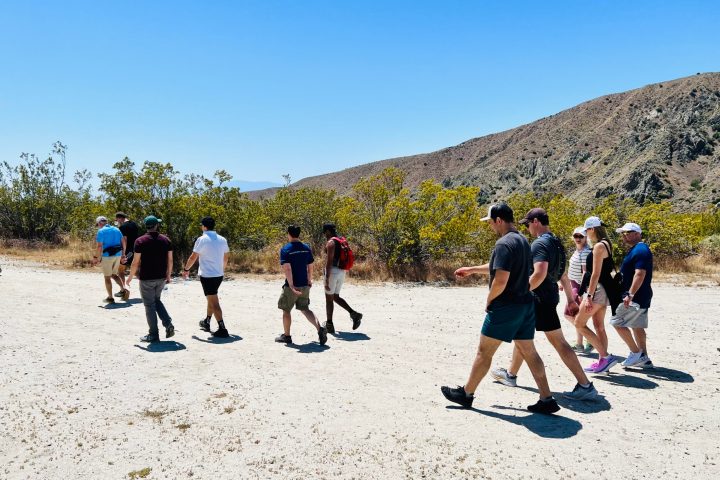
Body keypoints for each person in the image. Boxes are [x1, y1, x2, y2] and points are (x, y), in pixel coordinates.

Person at [441, 203, 560, 414]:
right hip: (525, 304)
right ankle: (547, 398)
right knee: (529, 352)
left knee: (484, 351)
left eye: (490, 222)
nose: (490, 227)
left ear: (498, 220)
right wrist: (471, 270)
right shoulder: (523, 241)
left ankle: (466, 394)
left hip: (506, 306)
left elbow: (501, 279)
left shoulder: (504, 243)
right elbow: (499, 267)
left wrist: (489, 300)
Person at [490, 208, 598, 401]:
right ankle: (511, 375)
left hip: (538, 299)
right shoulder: (556, 242)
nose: (527, 228)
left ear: (536, 221)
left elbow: (539, 273)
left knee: (556, 342)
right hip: (549, 298)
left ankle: (585, 384)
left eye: (528, 223)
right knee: (523, 337)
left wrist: (520, 292)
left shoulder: (539, 244)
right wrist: (571, 300)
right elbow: (562, 274)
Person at [574, 216, 622, 374]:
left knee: (579, 324)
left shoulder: (598, 247)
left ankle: (605, 357)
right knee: (599, 327)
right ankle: (603, 362)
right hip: (605, 290)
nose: (586, 233)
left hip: (597, 290)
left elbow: (595, 274)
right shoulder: (607, 244)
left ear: (592, 229)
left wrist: (588, 295)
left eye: (587, 230)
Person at [275, 225, 327, 346]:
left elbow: (287, 269)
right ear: (298, 234)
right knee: (305, 309)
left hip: (292, 286)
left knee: (286, 310)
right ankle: (320, 329)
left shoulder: (286, 249)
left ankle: (287, 336)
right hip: (305, 284)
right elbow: (310, 265)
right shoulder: (306, 248)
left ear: (289, 234)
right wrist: (309, 280)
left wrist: (292, 285)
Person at [611, 222, 654, 369]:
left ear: (637, 234)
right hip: (641, 296)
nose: (624, 235)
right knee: (637, 326)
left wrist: (630, 294)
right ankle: (644, 358)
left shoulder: (641, 250)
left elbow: (640, 273)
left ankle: (636, 353)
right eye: (623, 233)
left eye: (627, 232)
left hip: (636, 297)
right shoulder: (637, 249)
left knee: (616, 322)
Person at [126, 216, 175, 343]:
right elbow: (170, 260)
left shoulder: (140, 241)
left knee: (149, 305)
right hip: (161, 277)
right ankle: (168, 323)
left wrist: (130, 277)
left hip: (146, 278)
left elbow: (135, 262)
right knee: (156, 301)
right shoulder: (166, 240)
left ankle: (153, 334)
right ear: (156, 226)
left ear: (146, 226)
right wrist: (168, 275)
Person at [183, 216, 230, 338]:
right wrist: (222, 269)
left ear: (204, 226)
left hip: (207, 275)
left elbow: (193, 257)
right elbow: (226, 257)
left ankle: (222, 328)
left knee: (214, 301)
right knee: (211, 298)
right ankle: (207, 321)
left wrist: (186, 269)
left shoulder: (202, 239)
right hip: (218, 274)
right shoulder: (222, 239)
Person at [322, 223, 362, 333]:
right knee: (335, 296)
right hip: (342, 271)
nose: (325, 235)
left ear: (328, 231)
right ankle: (354, 314)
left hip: (333, 272)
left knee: (329, 299)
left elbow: (329, 262)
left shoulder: (331, 243)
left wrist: (326, 278)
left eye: (325, 233)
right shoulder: (342, 240)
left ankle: (329, 325)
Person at [566, 226, 593, 353]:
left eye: (581, 236)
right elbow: (572, 268)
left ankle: (589, 339)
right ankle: (579, 344)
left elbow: (585, 273)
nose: (578, 238)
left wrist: (582, 292)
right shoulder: (578, 251)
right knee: (576, 315)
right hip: (573, 284)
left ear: (586, 237)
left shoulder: (585, 252)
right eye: (576, 236)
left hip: (578, 286)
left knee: (568, 314)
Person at [92, 216, 128, 303]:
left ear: (100, 223)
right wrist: (123, 254)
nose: (98, 226)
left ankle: (110, 297)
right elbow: (124, 241)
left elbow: (100, 246)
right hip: (118, 255)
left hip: (107, 256)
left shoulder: (101, 231)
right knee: (114, 274)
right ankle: (123, 290)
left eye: (98, 225)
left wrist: (96, 258)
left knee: (107, 277)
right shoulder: (116, 229)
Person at [114, 212, 139, 299]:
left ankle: (123, 291)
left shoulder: (123, 227)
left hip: (127, 252)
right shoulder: (134, 224)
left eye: (117, 220)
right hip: (136, 251)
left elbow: (124, 240)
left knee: (120, 270)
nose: (117, 222)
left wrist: (123, 254)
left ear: (120, 218)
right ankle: (149, 289)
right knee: (136, 270)